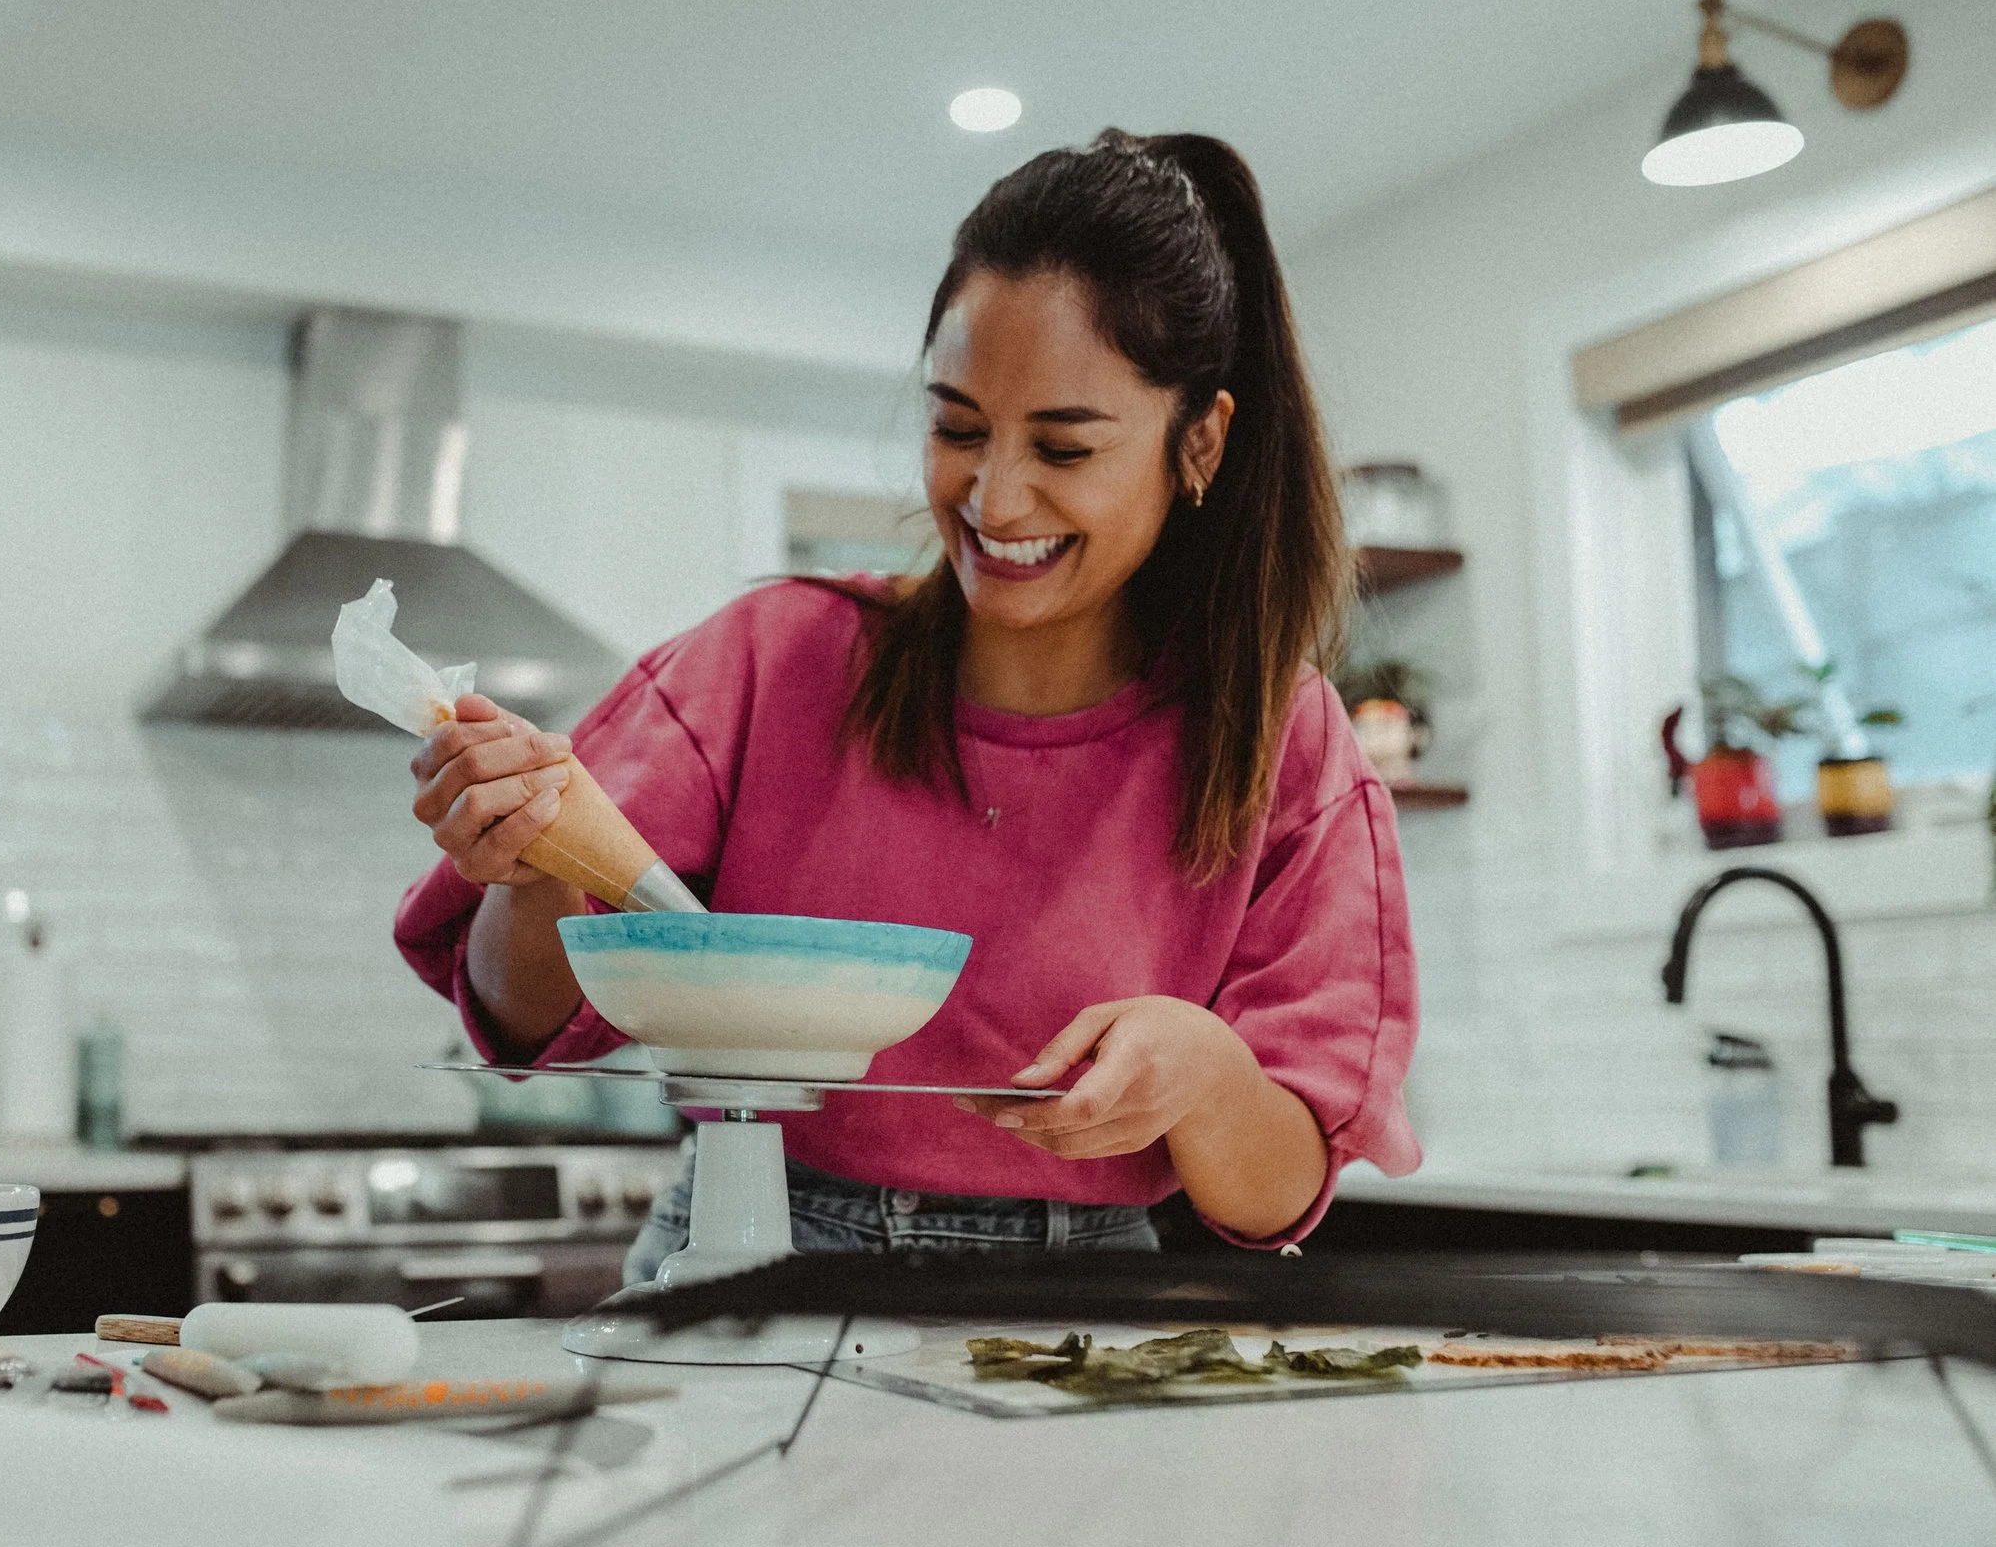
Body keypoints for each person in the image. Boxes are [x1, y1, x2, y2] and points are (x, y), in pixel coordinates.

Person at [395, 130, 1419, 1283]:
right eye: (958, 427)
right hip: (743, 1245)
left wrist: (1208, 1070)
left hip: (1084, 1291)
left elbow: (1279, 1192)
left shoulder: (1280, 738)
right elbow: (525, 1020)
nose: (993, 496)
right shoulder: (771, 658)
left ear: (1200, 442)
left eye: (1063, 446)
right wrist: (528, 870)